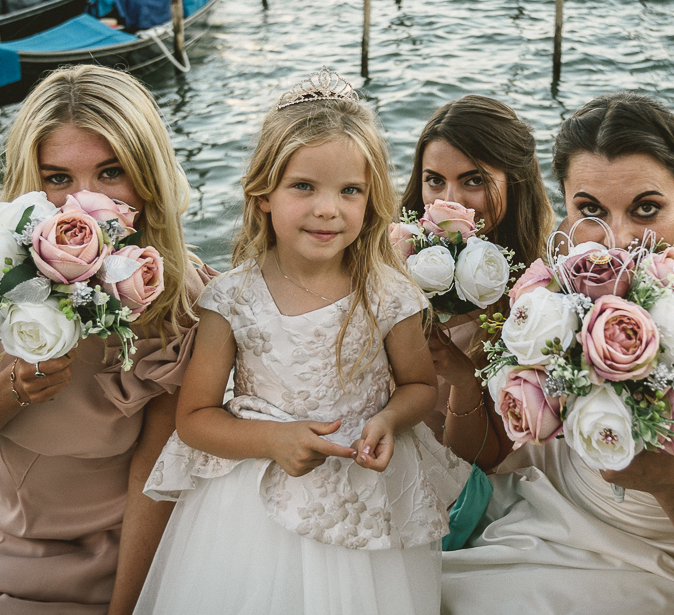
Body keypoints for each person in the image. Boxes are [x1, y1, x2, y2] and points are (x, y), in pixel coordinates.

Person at [441, 92, 674, 614]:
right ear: (564, 201)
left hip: (668, 557)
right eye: (590, 209)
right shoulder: (567, 265)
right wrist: (468, 378)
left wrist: (669, 480)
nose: (618, 238)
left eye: (646, 209)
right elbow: (491, 448)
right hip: (553, 501)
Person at [135, 69, 469, 614]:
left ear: (371, 198)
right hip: (252, 501)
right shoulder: (231, 299)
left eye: (350, 191)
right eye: (304, 186)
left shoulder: (386, 292)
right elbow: (194, 418)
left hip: (365, 496)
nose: (327, 209)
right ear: (263, 194)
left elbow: (417, 385)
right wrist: (272, 439)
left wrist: (388, 420)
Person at [0, 66, 213, 614]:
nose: (84, 203)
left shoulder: (179, 293)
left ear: (148, 175)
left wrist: (127, 609)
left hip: (132, 553)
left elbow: (156, 476)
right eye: (56, 178)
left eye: (112, 173)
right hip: (2, 550)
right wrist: (11, 390)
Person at [399, 95, 554, 467]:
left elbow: (482, 458)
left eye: (473, 181)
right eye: (434, 181)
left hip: (456, 468)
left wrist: (463, 379)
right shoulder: (393, 253)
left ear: (514, 183)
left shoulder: (539, 294)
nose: (450, 204)